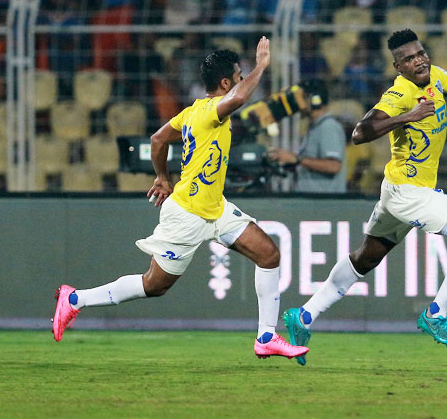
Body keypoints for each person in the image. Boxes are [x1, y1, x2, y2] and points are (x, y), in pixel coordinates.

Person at [52, 37, 308, 361]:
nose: (243, 81)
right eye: (239, 76)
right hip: (187, 214)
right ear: (226, 82)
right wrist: (262, 65)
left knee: (269, 255)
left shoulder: (192, 112)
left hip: (215, 209)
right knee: (154, 285)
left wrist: (163, 177)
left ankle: (266, 337)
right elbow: (239, 98)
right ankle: (75, 300)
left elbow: (158, 139)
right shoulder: (210, 113)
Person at [282, 29, 447, 365]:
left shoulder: (437, 77)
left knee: (366, 258)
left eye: (421, 54)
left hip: (396, 189)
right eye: (409, 59)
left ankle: (304, 316)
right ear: (398, 67)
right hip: (410, 193)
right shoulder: (400, 94)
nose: (419, 61)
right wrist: (407, 117)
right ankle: (436, 313)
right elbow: (359, 133)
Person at [268, 80, 347, 194]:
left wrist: (297, 159)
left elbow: (334, 166)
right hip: (313, 204)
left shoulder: (328, 127)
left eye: (301, 99)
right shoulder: (314, 127)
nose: (297, 105)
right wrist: (291, 163)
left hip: (325, 206)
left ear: (315, 100)